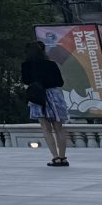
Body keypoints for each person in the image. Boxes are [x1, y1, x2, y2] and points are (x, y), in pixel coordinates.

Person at [23, 38, 72, 168]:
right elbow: (60, 82)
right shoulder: (51, 64)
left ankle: (55, 157)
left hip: (38, 97)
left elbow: (26, 81)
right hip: (54, 96)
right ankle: (63, 157)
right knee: (59, 128)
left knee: (46, 129)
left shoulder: (26, 65)